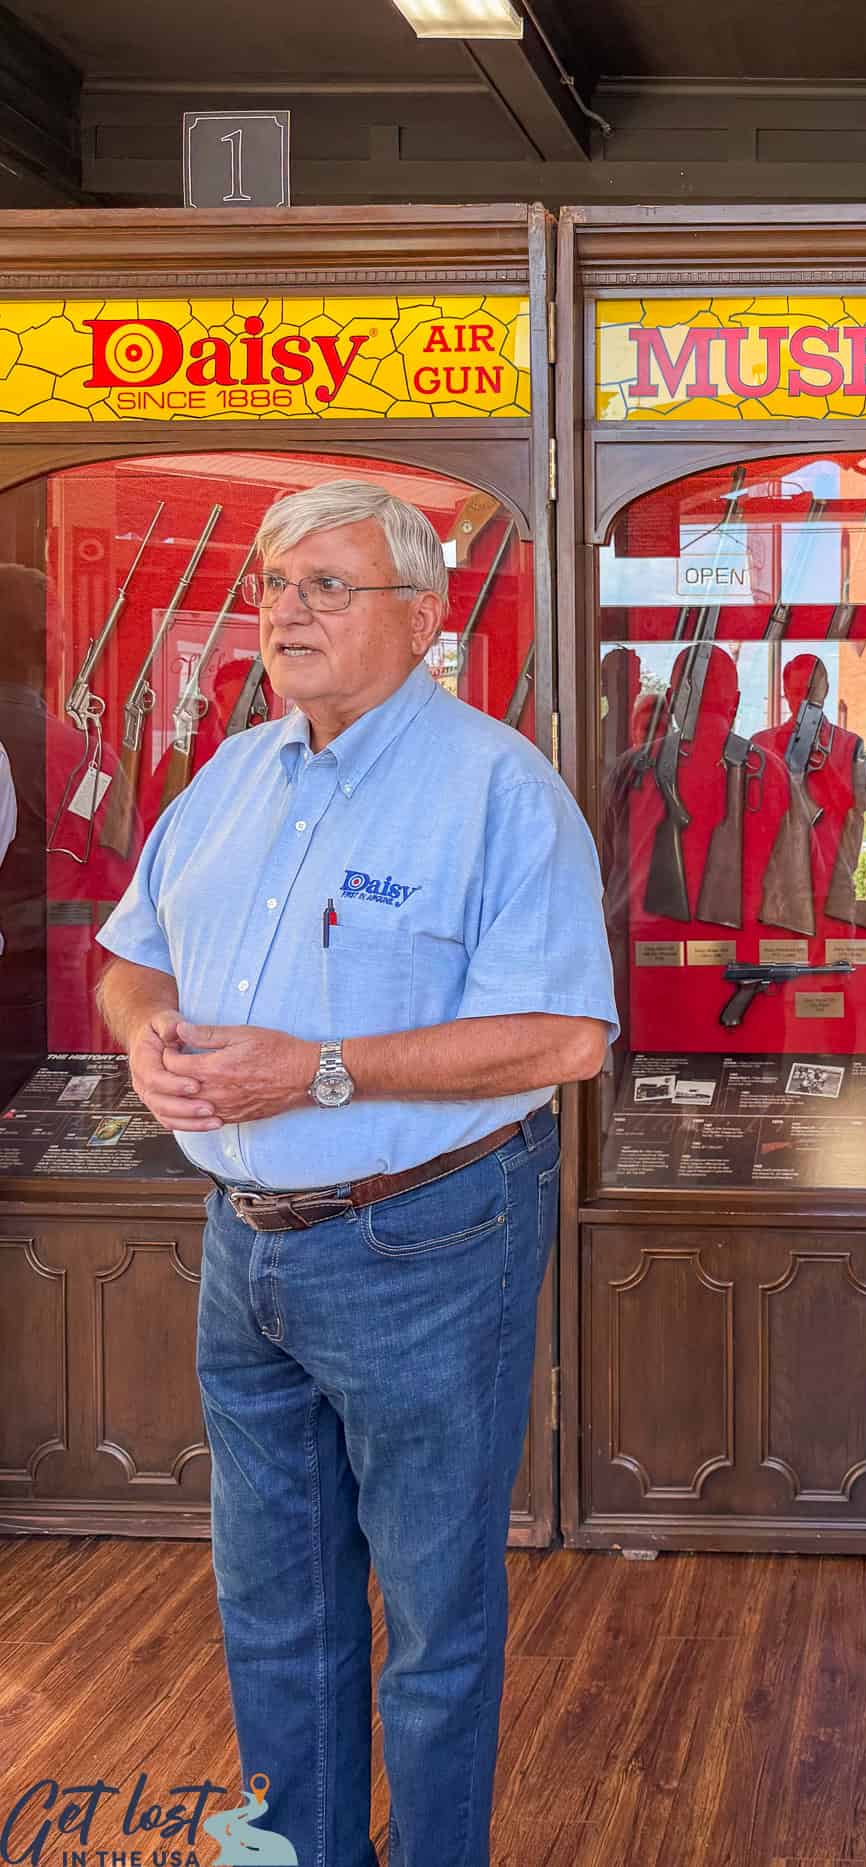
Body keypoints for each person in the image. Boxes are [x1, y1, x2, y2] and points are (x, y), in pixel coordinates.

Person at [93, 480, 618, 1867]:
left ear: (423, 616)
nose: (288, 610)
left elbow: (566, 1032)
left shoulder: (497, 784)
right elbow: (130, 953)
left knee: (434, 1620)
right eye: (274, 584)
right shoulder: (229, 777)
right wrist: (144, 1029)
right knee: (274, 1607)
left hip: (424, 1243)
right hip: (243, 1246)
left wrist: (319, 1067)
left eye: (329, 584)